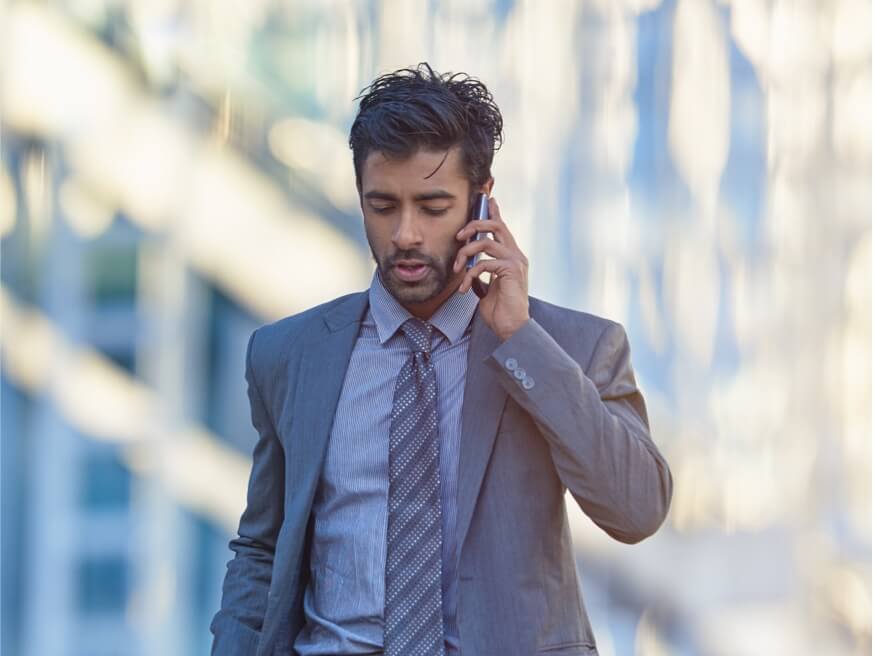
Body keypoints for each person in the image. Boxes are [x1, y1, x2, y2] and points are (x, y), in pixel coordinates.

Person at [210, 63, 672, 656]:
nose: (405, 234)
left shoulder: (572, 348)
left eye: (432, 207)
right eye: (383, 206)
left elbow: (636, 510)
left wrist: (520, 338)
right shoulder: (289, 354)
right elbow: (262, 550)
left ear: (482, 202)